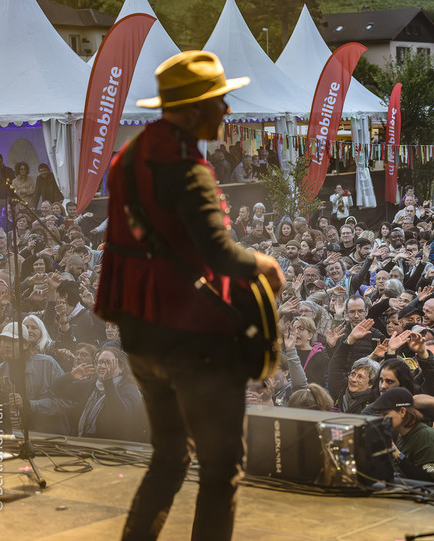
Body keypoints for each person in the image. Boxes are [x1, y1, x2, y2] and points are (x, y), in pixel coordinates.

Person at [94, 51, 284, 541]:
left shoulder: (129, 157)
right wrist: (266, 264)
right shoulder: (185, 167)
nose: (227, 111)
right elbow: (218, 253)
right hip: (193, 341)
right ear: (195, 108)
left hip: (140, 334)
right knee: (222, 470)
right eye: (220, 101)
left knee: (170, 455)